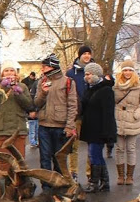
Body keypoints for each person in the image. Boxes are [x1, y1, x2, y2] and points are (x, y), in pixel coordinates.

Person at [35, 53, 78, 176]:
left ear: (52, 66)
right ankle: (47, 188)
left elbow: (72, 105)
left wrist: (70, 126)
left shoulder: (68, 82)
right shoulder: (42, 82)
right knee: (44, 158)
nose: (42, 69)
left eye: (44, 67)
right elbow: (37, 103)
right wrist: (43, 93)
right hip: (44, 125)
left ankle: (60, 186)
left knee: (59, 159)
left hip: (60, 126)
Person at [79, 63, 116, 192]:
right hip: (91, 128)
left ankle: (94, 182)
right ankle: (104, 182)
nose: (86, 77)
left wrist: (107, 133)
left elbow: (108, 113)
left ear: (95, 74)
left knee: (94, 154)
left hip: (100, 129)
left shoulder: (106, 90)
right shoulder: (90, 88)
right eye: (85, 74)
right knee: (95, 155)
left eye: (88, 74)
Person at [113, 59, 140, 185]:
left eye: (129, 70)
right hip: (118, 118)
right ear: (121, 71)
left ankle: (130, 176)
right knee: (119, 148)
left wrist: (136, 115)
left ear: (133, 71)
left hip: (133, 119)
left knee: (131, 148)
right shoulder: (116, 85)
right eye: (125, 70)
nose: (127, 72)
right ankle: (120, 176)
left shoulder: (139, 85)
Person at [0, 60, 33, 173]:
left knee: (19, 162)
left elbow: (29, 105)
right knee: (4, 163)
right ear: (2, 74)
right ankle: (4, 189)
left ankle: (19, 189)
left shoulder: (23, 86)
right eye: (6, 71)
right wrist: (4, 87)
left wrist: (17, 92)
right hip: (2, 130)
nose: (9, 73)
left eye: (12, 70)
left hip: (18, 129)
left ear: (16, 74)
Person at [66, 45, 93, 180]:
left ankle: (90, 172)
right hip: (76, 114)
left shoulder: (95, 70)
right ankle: (73, 172)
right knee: (74, 146)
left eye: (89, 53)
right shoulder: (71, 73)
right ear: (79, 56)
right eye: (84, 54)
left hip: (91, 114)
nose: (87, 56)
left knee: (91, 146)